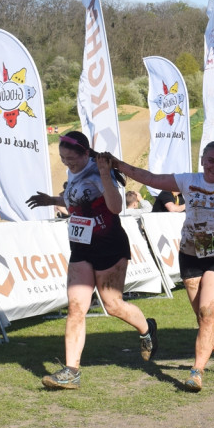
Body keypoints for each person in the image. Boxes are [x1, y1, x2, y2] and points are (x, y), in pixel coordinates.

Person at [108, 122, 214, 393]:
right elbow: (150, 178)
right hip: (190, 256)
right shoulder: (188, 180)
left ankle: (196, 372)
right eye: (211, 161)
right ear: (202, 161)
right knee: (203, 319)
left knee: (208, 311)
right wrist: (119, 165)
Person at [26, 131, 158, 390]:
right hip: (81, 246)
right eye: (63, 159)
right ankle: (71, 371)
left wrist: (107, 175)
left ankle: (147, 329)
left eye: (71, 159)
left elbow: (115, 207)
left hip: (109, 244)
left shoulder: (98, 172)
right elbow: (77, 198)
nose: (67, 163)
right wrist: (52, 200)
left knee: (113, 305)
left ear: (86, 153)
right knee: (77, 307)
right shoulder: (74, 170)